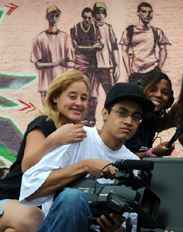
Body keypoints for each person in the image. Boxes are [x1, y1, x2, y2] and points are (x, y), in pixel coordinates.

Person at [19, 83, 154, 232]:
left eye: (136, 117)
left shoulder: (133, 162)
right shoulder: (79, 135)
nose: (129, 121)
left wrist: (115, 229)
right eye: (122, 112)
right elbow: (29, 187)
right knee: (73, 198)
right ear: (105, 114)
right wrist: (84, 166)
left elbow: (131, 224)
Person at [0, 69, 90, 232]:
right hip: (12, 198)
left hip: (44, 208)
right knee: (35, 219)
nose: (79, 102)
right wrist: (54, 139)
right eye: (72, 96)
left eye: (84, 98)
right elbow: (28, 165)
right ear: (55, 97)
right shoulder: (44, 123)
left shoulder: (84, 135)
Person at [125, 71, 174, 157]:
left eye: (165, 93)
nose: (159, 95)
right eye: (153, 90)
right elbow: (117, 157)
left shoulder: (150, 121)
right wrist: (152, 152)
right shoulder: (130, 118)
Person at [31, 5, 74, 104]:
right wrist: (56, 63)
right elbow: (37, 64)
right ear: (47, 17)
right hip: (45, 85)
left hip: (61, 84)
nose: (54, 18)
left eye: (57, 15)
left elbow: (71, 63)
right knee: (47, 115)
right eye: (51, 15)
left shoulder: (65, 37)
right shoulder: (40, 38)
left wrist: (63, 63)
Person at [120, 2, 171, 83]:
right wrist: (129, 72)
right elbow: (124, 51)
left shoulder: (156, 31)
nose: (147, 14)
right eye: (144, 11)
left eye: (150, 12)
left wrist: (159, 68)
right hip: (136, 72)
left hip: (153, 71)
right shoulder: (129, 31)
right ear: (138, 13)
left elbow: (163, 50)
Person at [70, 7, 101, 126]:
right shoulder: (75, 29)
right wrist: (92, 47)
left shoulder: (95, 28)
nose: (87, 20)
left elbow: (99, 44)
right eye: (85, 17)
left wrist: (96, 46)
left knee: (93, 94)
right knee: (81, 91)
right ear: (82, 17)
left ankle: (91, 118)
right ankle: (81, 117)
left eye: (89, 17)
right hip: (80, 64)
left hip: (93, 64)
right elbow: (76, 47)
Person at [92, 2, 120, 94]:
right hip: (93, 67)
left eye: (102, 12)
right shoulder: (90, 28)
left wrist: (117, 65)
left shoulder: (109, 28)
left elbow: (114, 47)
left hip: (107, 67)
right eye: (97, 13)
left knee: (110, 93)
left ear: (105, 14)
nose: (99, 15)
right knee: (92, 96)